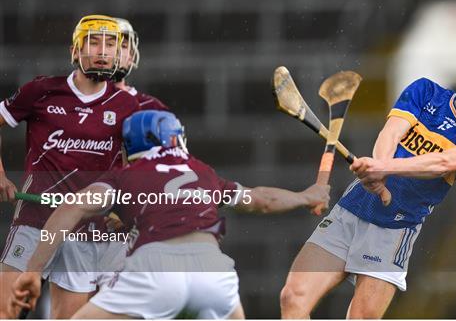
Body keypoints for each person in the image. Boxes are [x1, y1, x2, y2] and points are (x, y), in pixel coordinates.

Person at [8, 110, 330, 319]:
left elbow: (73, 208)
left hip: (156, 271)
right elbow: (261, 199)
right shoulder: (202, 171)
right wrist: (306, 196)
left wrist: (34, 269)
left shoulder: (126, 175)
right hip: (214, 274)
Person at [280, 49, 456, 318]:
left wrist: (382, 167)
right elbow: (392, 131)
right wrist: (378, 174)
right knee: (293, 297)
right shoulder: (425, 91)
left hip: (394, 229)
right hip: (351, 211)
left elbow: (440, 164)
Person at [0, 15, 140, 318]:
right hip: (34, 222)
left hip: (85, 233)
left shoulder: (128, 106)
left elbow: (133, 169)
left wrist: (125, 208)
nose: (102, 51)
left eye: (110, 44)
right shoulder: (41, 91)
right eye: (93, 41)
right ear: (75, 51)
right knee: (6, 311)